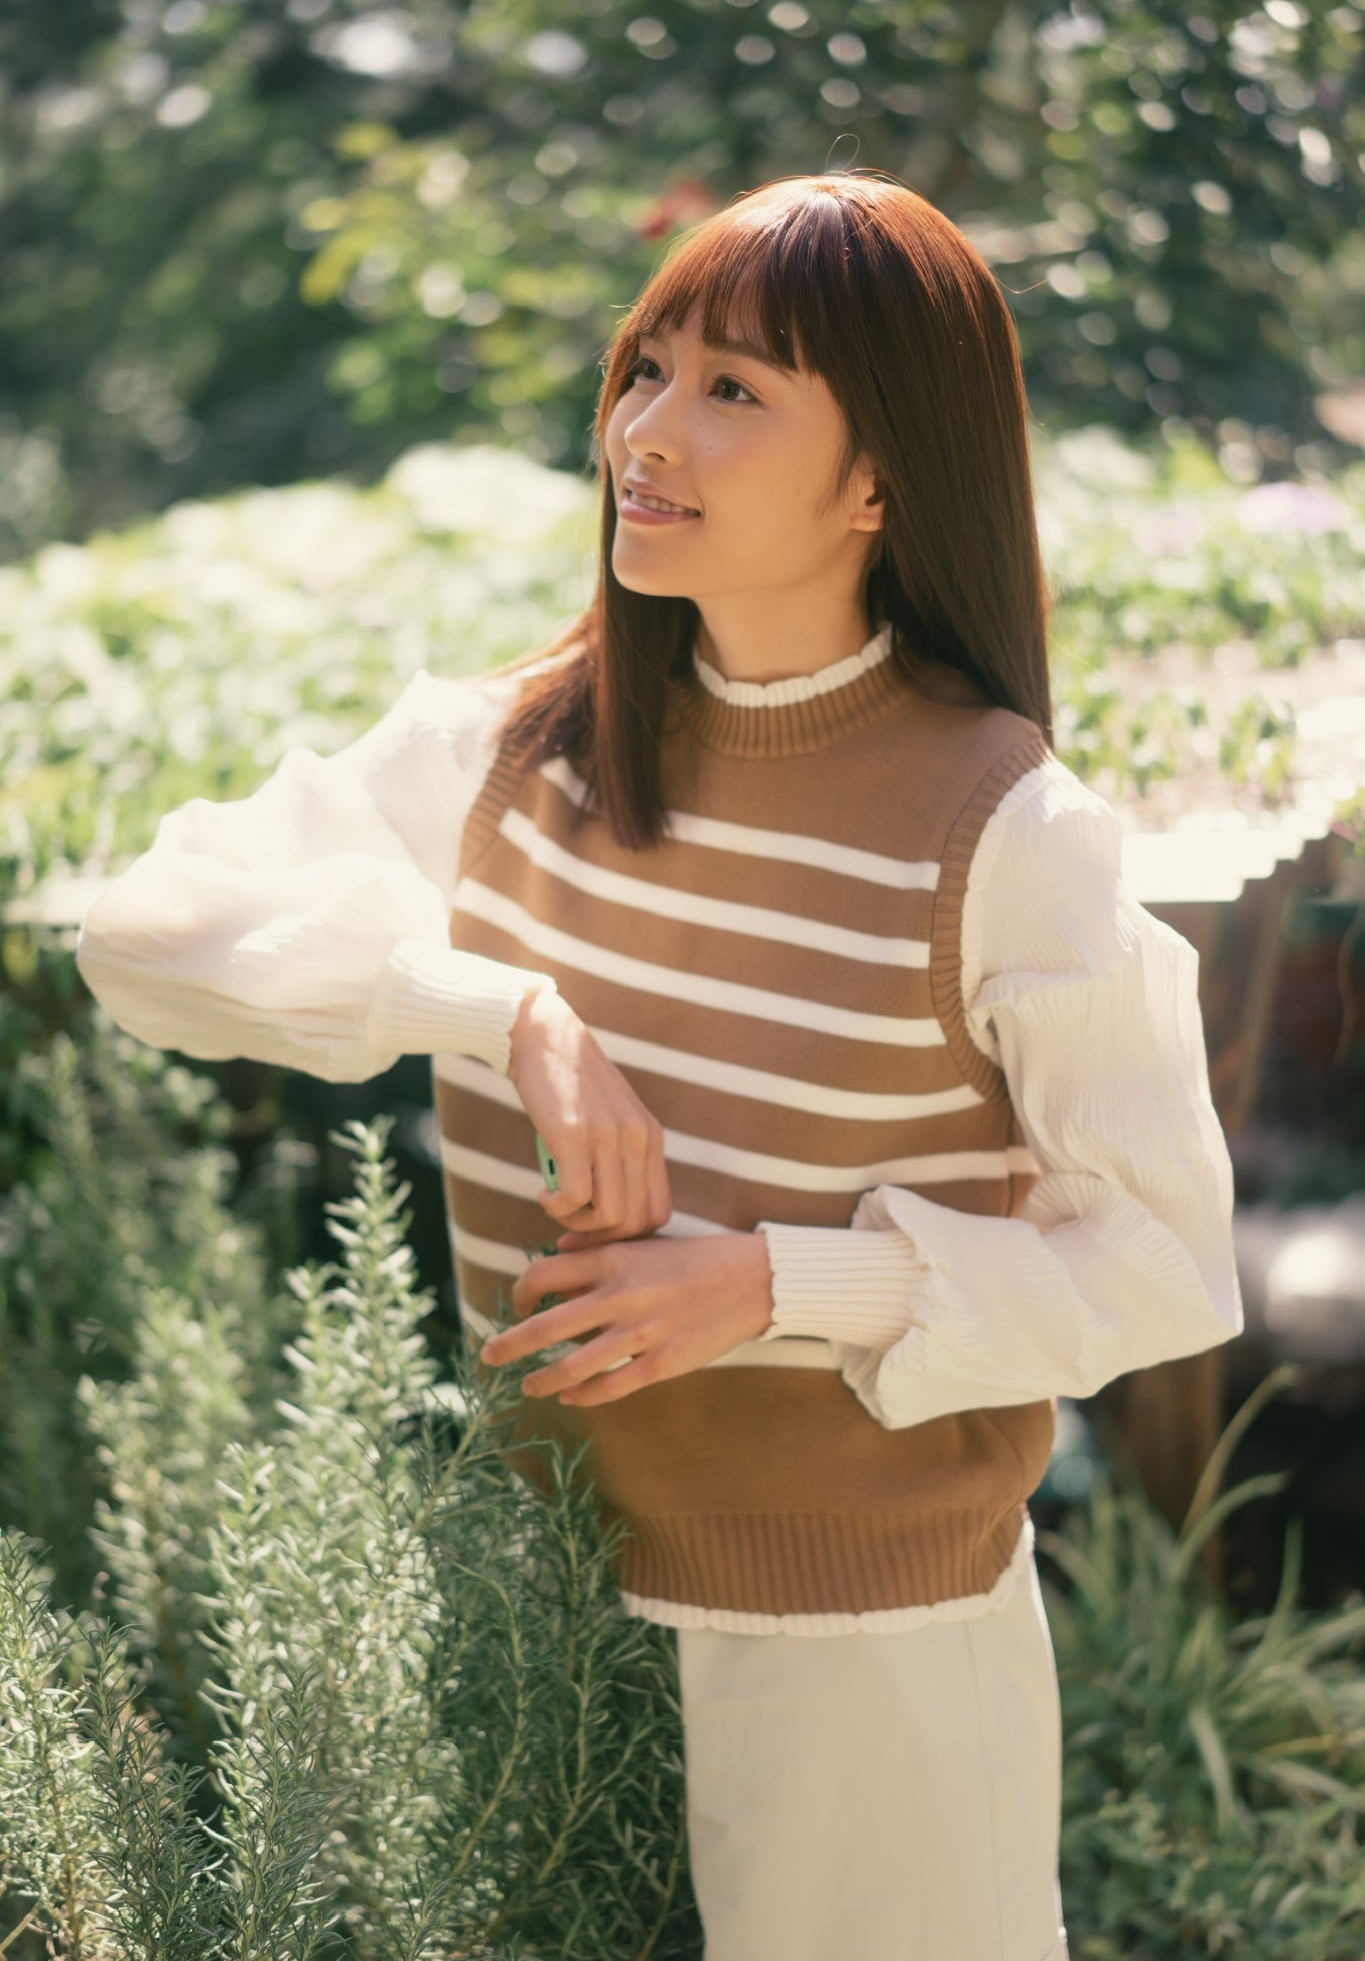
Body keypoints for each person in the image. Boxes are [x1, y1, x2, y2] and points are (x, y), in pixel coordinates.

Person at [77, 169, 1244, 1961]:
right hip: (527, 1614)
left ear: (878, 482)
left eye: (732, 390)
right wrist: (504, 1013)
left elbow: (1158, 1259)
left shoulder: (1010, 827)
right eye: (644, 369)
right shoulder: (509, 750)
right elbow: (145, 932)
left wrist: (773, 1286)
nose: (646, 429)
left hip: (863, 1654)